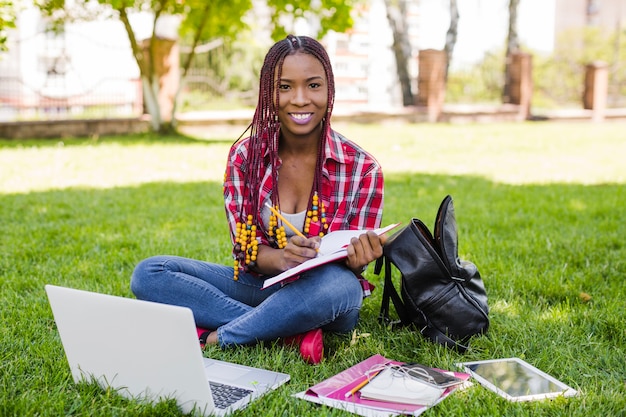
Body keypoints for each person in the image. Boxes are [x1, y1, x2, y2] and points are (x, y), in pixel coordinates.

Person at [130, 35, 385, 364]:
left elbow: (354, 267)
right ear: (269, 93)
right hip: (262, 285)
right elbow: (246, 251)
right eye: (285, 87)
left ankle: (225, 335)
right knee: (150, 273)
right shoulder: (245, 157)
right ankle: (289, 334)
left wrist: (358, 258)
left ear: (329, 90)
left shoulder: (363, 169)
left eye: (313, 85)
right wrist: (282, 259)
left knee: (343, 286)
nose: (300, 99)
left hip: (323, 295)